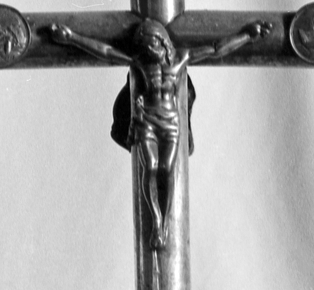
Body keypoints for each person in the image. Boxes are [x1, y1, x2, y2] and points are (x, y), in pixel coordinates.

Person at [49, 16, 270, 249]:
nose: (148, 50)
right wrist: (71, 37)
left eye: (152, 44)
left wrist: (247, 36)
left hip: (170, 123)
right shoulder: (140, 63)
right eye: (144, 46)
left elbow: (216, 49)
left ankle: (165, 221)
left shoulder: (181, 59)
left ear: (163, 42)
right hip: (147, 121)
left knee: (167, 169)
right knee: (151, 167)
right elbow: (106, 52)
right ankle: (156, 220)